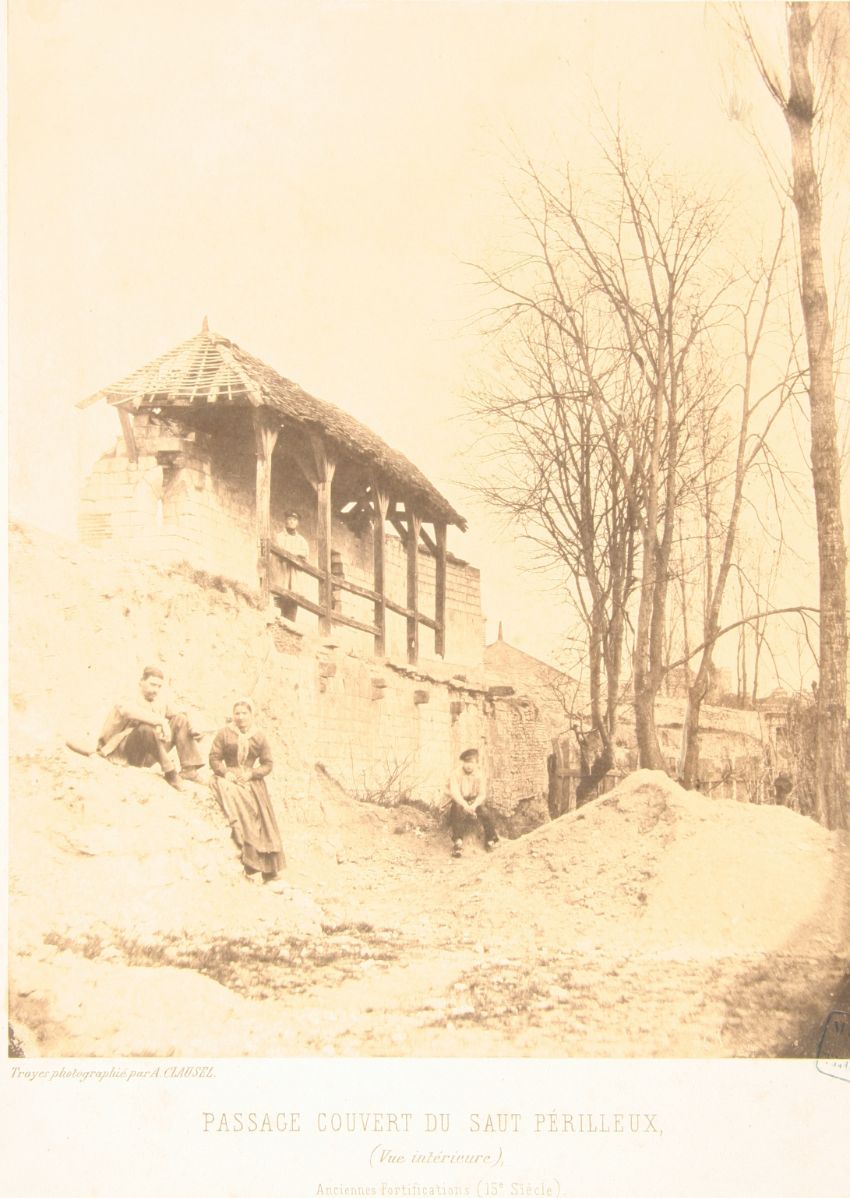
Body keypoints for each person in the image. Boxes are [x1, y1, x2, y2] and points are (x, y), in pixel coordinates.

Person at [209, 699, 286, 889]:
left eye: (244, 713)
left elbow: (268, 764)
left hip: (252, 780)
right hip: (230, 777)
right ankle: (247, 859)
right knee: (239, 805)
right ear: (233, 715)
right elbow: (214, 758)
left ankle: (270, 871)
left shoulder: (259, 737)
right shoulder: (224, 733)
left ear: (251, 715)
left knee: (263, 820)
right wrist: (225, 773)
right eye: (237, 713)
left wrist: (252, 773)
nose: (240, 717)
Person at [97, 666, 204, 790]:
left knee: (180, 719)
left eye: (159, 686)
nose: (156, 690)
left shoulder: (159, 701)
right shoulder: (128, 695)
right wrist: (161, 721)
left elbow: (180, 713)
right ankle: (170, 772)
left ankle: (189, 770)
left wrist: (193, 726)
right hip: (124, 753)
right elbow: (127, 711)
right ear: (141, 682)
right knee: (145, 728)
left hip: (150, 753)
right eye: (152, 684)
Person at [445, 748, 499, 859]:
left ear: (476, 763)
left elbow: (482, 794)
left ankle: (490, 840)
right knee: (457, 811)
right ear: (463, 762)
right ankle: (458, 842)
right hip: (460, 800)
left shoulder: (480, 775)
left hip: (474, 801)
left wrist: (473, 806)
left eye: (471, 762)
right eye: (466, 762)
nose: (468, 765)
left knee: (485, 812)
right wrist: (465, 806)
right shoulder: (455, 774)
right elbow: (455, 793)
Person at [274, 510, 309, 620]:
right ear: (285, 521)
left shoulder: (302, 541)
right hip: (282, 575)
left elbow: (304, 556)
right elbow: (279, 551)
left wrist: (296, 554)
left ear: (297, 523)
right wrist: (295, 553)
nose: (291, 522)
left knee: (292, 607)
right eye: (289, 519)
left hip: (295, 579)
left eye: (294, 520)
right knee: (279, 605)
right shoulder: (279, 537)